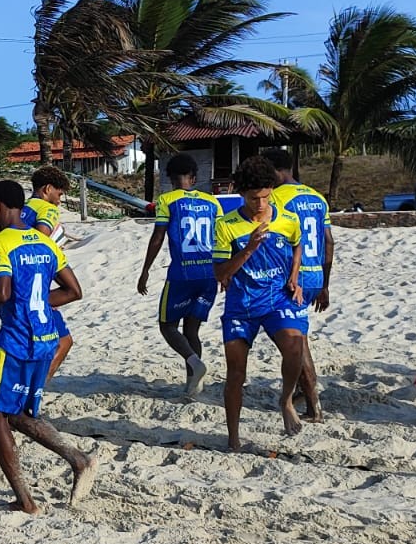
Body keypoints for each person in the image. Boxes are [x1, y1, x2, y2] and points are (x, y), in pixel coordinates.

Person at [0, 181, 96, 512]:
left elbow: (1, 293)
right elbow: (74, 290)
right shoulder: (45, 244)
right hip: (46, 339)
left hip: (17, 339)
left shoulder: (0, 244)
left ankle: (26, 500)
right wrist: (37, 304)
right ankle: (77, 459)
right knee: (15, 413)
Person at [213, 156, 307, 450]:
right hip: (241, 305)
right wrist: (250, 247)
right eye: (254, 198)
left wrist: (295, 276)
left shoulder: (288, 219)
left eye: (266, 196)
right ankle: (233, 439)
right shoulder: (225, 225)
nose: (261, 204)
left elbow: (297, 245)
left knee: (295, 348)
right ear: (242, 194)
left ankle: (286, 399)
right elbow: (220, 273)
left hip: (278, 299)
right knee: (235, 373)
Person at [137, 153, 223, 397]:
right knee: (192, 330)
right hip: (209, 274)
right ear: (193, 178)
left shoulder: (167, 200)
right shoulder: (212, 202)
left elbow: (157, 238)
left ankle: (195, 365)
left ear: (170, 179)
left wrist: (145, 271)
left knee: (167, 326)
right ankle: (193, 385)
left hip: (182, 275)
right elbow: (223, 238)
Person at [266, 149, 333, 422]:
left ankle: (312, 405)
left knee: (296, 342)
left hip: (292, 277)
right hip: (316, 273)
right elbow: (328, 242)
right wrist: (325, 284)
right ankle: (301, 392)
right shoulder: (316, 197)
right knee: (297, 338)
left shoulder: (277, 198)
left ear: (273, 170)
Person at [23, 167, 74, 384]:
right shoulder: (47, 209)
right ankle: (35, 390)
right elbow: (39, 242)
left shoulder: (22, 208)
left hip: (17, 277)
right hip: (34, 281)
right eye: (59, 194)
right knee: (64, 341)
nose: (59, 201)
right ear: (47, 189)